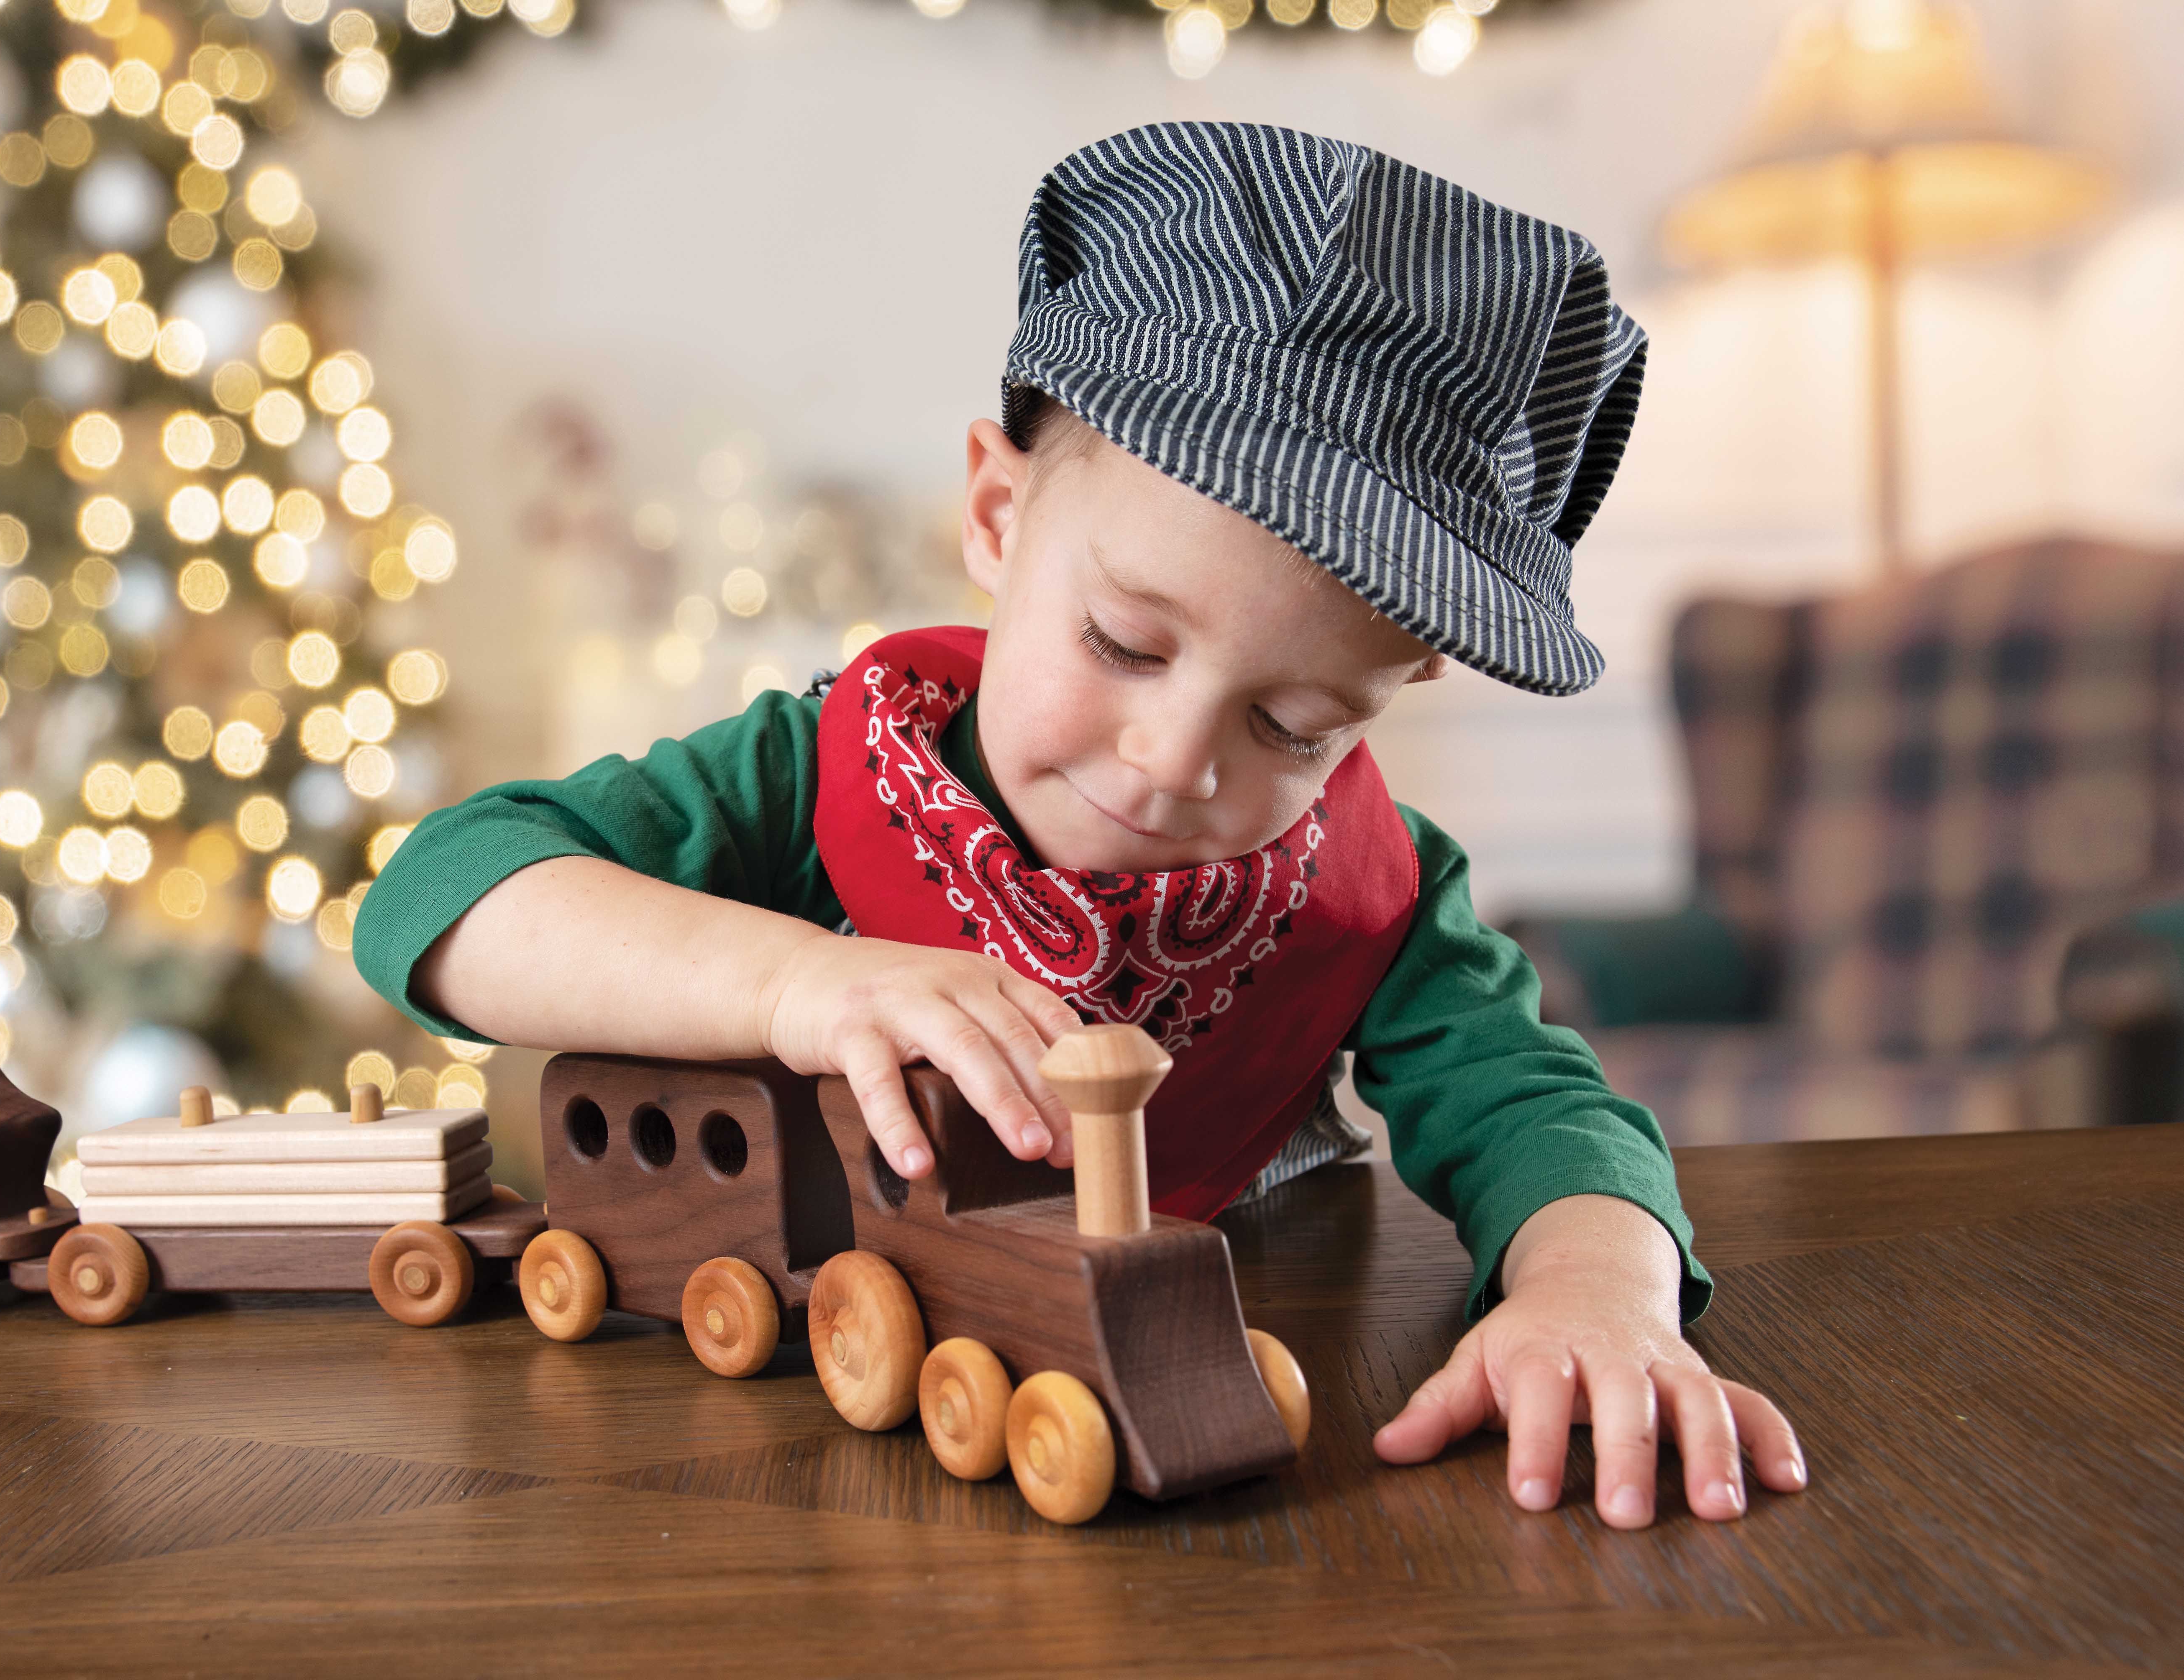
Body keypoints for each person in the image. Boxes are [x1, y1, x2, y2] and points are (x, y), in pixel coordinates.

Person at [353, 121, 1805, 1529]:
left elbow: (1538, 1113)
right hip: (755, 1452)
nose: (1174, 763)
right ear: (994, 514)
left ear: (1398, 686)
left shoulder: (1378, 892)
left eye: (1294, 726)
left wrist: (1597, 1294)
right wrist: (797, 980)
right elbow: (441, 894)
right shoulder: (815, 770)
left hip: (1232, 1397)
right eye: (1122, 641)